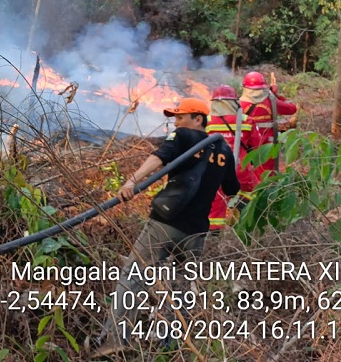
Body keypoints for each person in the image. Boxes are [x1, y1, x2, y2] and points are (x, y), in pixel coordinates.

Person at [95, 97, 240, 356]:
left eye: (181, 116)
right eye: (176, 117)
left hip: (166, 223)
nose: (177, 122)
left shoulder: (183, 136)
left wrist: (131, 181)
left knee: (133, 276)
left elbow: (158, 158)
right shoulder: (223, 149)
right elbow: (232, 188)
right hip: (196, 232)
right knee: (182, 289)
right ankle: (171, 348)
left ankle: (115, 341)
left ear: (198, 119)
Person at [206, 85, 263, 232]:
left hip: (215, 168)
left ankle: (214, 235)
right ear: (235, 102)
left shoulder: (207, 121)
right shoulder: (247, 120)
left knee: (216, 202)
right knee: (251, 193)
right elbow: (257, 147)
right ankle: (243, 226)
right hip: (241, 168)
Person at [239, 71, 297, 175]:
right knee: (267, 176)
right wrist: (277, 95)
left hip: (246, 147)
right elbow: (292, 108)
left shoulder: (238, 105)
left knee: (246, 174)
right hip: (268, 147)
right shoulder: (272, 102)